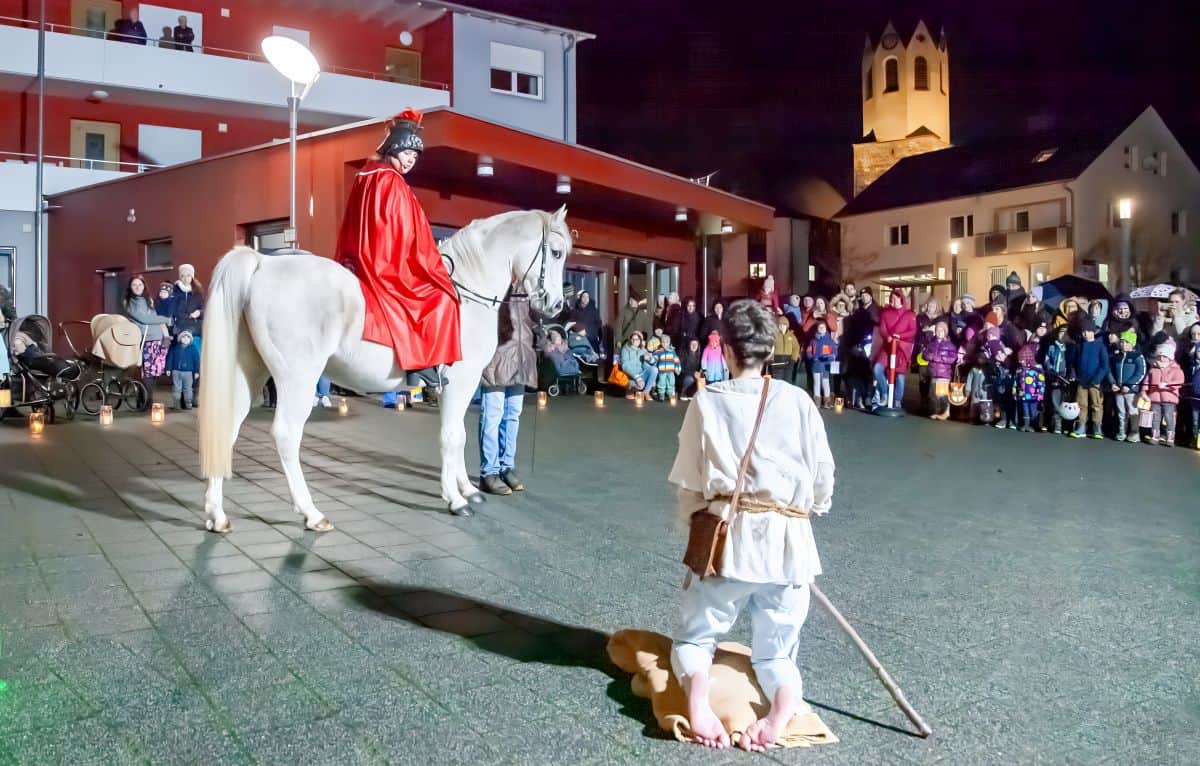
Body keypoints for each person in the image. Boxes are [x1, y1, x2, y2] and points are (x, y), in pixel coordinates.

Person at [669, 299, 835, 752]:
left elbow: (689, 482)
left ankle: (699, 701)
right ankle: (781, 705)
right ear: (768, 350)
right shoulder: (799, 400)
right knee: (776, 652)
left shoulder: (708, 400)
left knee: (694, 638)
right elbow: (823, 477)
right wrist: (807, 514)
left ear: (726, 350)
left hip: (729, 541)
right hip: (790, 547)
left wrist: (693, 529)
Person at [336, 108, 461, 386]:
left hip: (358, 255)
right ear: (394, 148)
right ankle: (423, 366)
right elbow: (405, 234)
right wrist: (433, 263)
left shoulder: (366, 174)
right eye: (407, 154)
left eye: (414, 157)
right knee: (442, 298)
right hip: (384, 261)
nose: (410, 162)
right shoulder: (392, 182)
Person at [478, 293, 536, 497]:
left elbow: (537, 317)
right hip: (498, 360)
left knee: (512, 415)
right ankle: (489, 472)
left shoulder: (527, 288)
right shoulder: (497, 282)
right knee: (492, 417)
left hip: (520, 360)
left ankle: (506, 466)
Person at [871, 290, 916, 409]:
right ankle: (885, 393)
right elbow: (882, 329)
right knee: (877, 369)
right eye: (891, 297)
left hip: (901, 349)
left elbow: (913, 331)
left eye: (895, 298)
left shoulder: (909, 315)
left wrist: (900, 336)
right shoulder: (885, 313)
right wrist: (888, 337)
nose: (892, 299)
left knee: (899, 376)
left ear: (901, 299)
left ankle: (897, 400)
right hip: (887, 348)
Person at [123, 275, 172, 382]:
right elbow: (145, 318)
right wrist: (167, 320)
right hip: (146, 340)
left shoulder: (148, 299)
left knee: (155, 373)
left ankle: (147, 398)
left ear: (144, 286)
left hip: (157, 339)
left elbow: (155, 315)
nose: (137, 287)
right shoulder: (128, 302)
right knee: (147, 374)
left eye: (140, 284)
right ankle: (147, 399)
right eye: (134, 285)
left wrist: (165, 335)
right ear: (130, 287)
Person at [1069, 317, 1111, 439]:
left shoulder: (1100, 346)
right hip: (1082, 380)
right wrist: (1073, 374)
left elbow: (1104, 365)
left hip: (1095, 382)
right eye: (1083, 331)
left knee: (1096, 404)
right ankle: (1081, 426)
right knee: (1081, 404)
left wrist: (1097, 379)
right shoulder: (1079, 346)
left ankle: (1097, 427)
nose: (1085, 334)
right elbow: (1073, 363)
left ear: (1093, 331)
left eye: (1087, 331)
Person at [1140, 339, 1183, 447]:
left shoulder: (1175, 369)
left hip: (1169, 399)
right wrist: (1144, 392)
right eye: (1160, 356)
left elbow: (1179, 381)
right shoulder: (1153, 369)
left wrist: (1167, 384)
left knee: (1169, 418)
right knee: (1155, 417)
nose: (1161, 358)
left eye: (1164, 356)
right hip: (1155, 398)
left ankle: (1170, 438)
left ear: (1169, 357)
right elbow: (1146, 382)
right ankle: (1155, 436)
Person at [1109, 330, 1146, 443]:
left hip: (1131, 391)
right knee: (1121, 411)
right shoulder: (1116, 356)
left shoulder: (1137, 356)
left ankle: (1134, 433)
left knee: (1132, 410)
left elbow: (1141, 372)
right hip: (1118, 390)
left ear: (1132, 344)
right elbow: (1110, 371)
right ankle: (1122, 431)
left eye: (1127, 342)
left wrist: (1129, 386)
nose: (1123, 344)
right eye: (1122, 342)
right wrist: (1113, 383)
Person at [924, 319, 958, 420]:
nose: (939, 332)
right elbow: (925, 354)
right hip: (933, 372)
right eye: (938, 330)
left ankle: (945, 412)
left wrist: (941, 359)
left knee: (942, 394)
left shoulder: (949, 345)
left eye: (941, 330)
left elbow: (952, 358)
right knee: (933, 394)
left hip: (944, 374)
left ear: (945, 332)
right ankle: (936, 411)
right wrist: (930, 356)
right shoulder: (931, 343)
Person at [166, 264, 204, 355]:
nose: (185, 278)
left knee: (195, 356)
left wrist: (199, 312)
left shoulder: (198, 292)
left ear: (192, 276)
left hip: (194, 331)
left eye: (188, 275)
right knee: (180, 357)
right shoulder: (173, 291)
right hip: (178, 330)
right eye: (182, 275)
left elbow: (204, 309)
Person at [1042, 325, 1071, 434]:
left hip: (1065, 377)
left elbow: (1071, 362)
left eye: (1065, 333)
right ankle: (1054, 423)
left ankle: (1065, 424)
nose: (1062, 335)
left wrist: (1069, 374)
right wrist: (1050, 370)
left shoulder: (1069, 347)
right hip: (1054, 375)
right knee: (1054, 398)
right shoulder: (1052, 346)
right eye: (1061, 333)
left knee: (1065, 400)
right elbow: (1047, 359)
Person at [1013, 341, 1045, 432]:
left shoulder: (1036, 369)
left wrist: (1040, 393)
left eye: (1022, 359)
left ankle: (1033, 424)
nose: (1020, 361)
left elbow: (1041, 382)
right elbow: (1016, 382)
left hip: (1034, 395)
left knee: (1033, 409)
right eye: (1019, 359)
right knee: (1025, 409)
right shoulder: (1019, 370)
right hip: (1023, 395)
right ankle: (1026, 425)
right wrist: (1014, 392)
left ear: (1027, 359)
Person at [806, 321, 837, 409]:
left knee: (825, 382)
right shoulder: (813, 341)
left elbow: (834, 351)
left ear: (826, 329)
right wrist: (812, 357)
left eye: (823, 327)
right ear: (817, 329)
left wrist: (830, 357)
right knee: (817, 383)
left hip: (825, 365)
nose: (822, 329)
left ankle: (827, 401)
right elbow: (808, 351)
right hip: (816, 365)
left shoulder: (829, 340)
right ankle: (817, 401)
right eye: (820, 327)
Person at [169, 330, 200, 409]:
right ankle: (176, 404)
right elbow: (170, 358)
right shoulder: (175, 348)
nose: (186, 338)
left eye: (188, 337)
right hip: (176, 371)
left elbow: (196, 360)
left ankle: (188, 403)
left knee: (188, 388)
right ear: (180, 339)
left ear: (190, 339)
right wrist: (168, 369)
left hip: (188, 372)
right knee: (176, 388)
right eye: (183, 337)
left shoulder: (193, 349)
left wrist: (196, 371)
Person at [568, 291, 603, 357]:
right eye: (584, 296)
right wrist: (578, 330)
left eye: (587, 297)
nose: (585, 298)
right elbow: (571, 323)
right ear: (580, 298)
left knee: (593, 360)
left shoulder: (593, 310)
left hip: (591, 339)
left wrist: (587, 331)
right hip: (579, 340)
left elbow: (598, 324)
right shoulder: (575, 310)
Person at [770, 315, 800, 385]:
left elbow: (796, 347)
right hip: (777, 360)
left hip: (788, 360)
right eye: (780, 325)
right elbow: (771, 347)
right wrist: (771, 358)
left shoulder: (791, 336)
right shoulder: (774, 335)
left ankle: (787, 394)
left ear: (787, 326)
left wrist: (793, 359)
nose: (782, 326)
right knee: (777, 380)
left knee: (788, 380)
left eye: (784, 325)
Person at [1184, 323, 1200, 449]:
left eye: (1199, 334)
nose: (1195, 336)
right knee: (1193, 419)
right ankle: (1193, 439)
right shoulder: (1188, 354)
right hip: (1191, 394)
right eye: (1193, 333)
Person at [651, 336, 681, 401]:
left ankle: (670, 393)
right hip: (662, 370)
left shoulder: (672, 351)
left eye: (667, 342)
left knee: (671, 381)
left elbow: (676, 360)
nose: (665, 344)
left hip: (670, 370)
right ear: (661, 343)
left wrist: (677, 368)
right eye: (663, 342)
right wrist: (651, 359)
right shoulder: (658, 351)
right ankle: (661, 394)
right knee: (661, 382)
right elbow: (654, 359)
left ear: (669, 343)